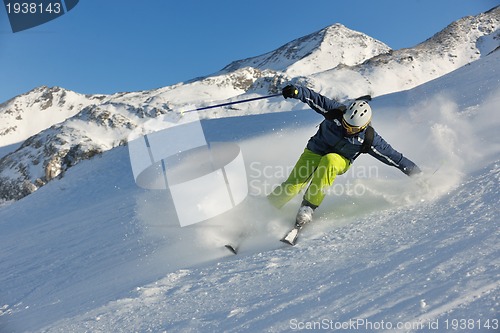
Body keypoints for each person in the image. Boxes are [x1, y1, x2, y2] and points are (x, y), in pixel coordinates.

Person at [267, 84, 421, 230]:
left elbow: (394, 158)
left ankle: (308, 207)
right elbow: (314, 97)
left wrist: (418, 175)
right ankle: (264, 209)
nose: (346, 129)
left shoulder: (370, 139)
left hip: (340, 160)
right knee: (293, 186)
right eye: (345, 123)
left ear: (362, 126)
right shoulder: (336, 111)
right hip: (315, 149)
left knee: (330, 160)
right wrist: (296, 92)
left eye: (351, 128)